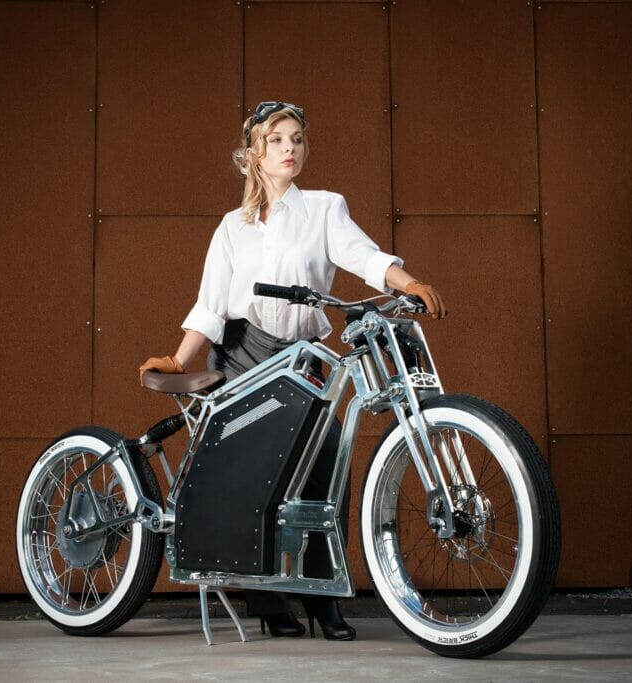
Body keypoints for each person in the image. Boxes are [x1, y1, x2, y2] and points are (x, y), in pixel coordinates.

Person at [140, 101, 446, 641]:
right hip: (242, 354)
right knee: (251, 475)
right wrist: (180, 359)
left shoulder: (325, 209)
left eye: (298, 139)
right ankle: (268, 600)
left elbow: (363, 255)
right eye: (277, 139)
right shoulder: (233, 228)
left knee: (328, 465)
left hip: (304, 354)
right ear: (254, 152)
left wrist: (406, 282)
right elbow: (211, 306)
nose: (290, 148)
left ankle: (323, 599)